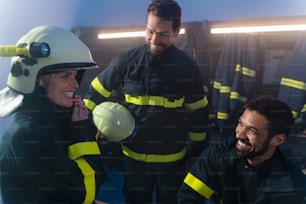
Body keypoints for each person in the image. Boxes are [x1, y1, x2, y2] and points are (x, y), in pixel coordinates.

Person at [83, 0, 209, 203]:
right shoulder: (126, 62)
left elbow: (199, 115)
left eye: (163, 34)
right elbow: (92, 95)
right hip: (133, 161)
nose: (154, 39)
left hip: (173, 162)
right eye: (150, 31)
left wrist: (196, 155)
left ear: (176, 32)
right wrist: (92, 128)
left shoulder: (188, 69)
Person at [0, 25, 107, 203]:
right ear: (38, 79)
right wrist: (82, 136)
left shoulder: (46, 120)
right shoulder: (29, 136)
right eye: (65, 77)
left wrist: (88, 131)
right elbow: (87, 189)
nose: (75, 85)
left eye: (75, 76)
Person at [177, 95, 306, 204]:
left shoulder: (291, 186)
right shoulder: (217, 155)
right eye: (240, 123)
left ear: (277, 140)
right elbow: (188, 197)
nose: (239, 134)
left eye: (252, 130)